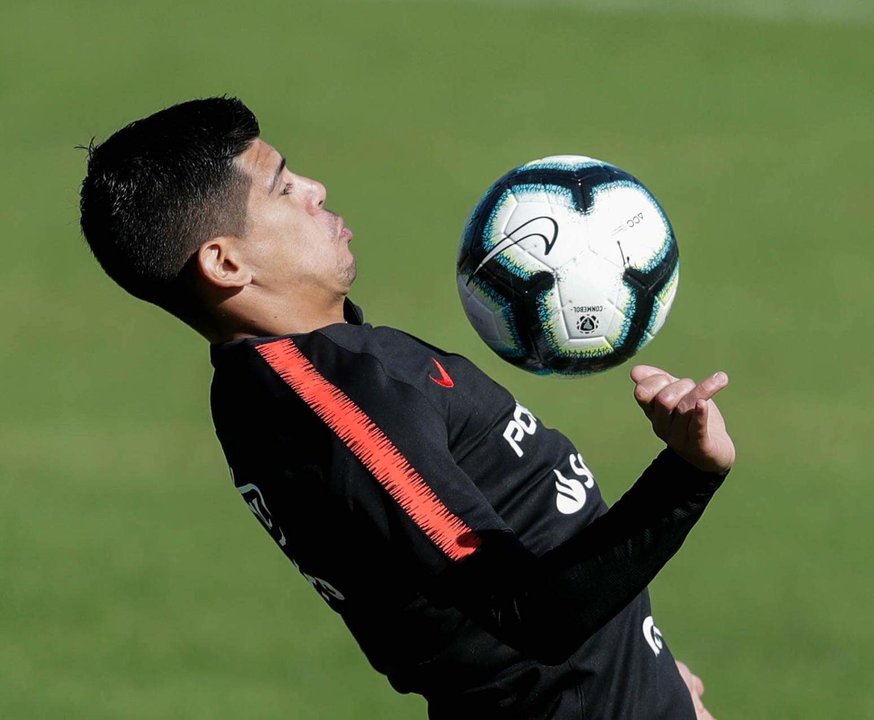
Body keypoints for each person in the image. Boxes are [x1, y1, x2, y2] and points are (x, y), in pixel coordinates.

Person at [79, 97, 734, 720]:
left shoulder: (305, 375)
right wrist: (686, 475)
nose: (315, 189)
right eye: (282, 188)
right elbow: (532, 616)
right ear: (225, 263)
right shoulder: (343, 411)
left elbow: (487, 589)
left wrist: (651, 671)